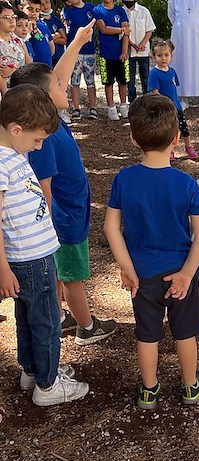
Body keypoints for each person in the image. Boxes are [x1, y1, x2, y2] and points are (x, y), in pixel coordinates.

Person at [11, 19, 118, 347]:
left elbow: (56, 75)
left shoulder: (47, 121)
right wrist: (50, 230)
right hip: (62, 222)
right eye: (58, 86)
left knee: (60, 272)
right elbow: (42, 192)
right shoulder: (44, 140)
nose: (64, 86)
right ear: (44, 98)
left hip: (69, 214)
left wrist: (76, 42)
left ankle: (59, 315)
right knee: (72, 275)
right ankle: (86, 326)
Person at [104, 94, 199, 410]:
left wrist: (126, 267)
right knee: (184, 332)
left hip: (142, 274)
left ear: (134, 137)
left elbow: (111, 228)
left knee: (147, 334)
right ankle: (190, 386)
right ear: (177, 138)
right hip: (180, 272)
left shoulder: (124, 179)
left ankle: (149, 389)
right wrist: (187, 274)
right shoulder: (186, 183)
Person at [0, 83, 89, 406]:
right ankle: (48, 386)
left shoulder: (14, 151)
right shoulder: (3, 162)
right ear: (16, 128)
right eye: (37, 139)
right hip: (28, 258)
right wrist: (3, 268)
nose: (39, 147)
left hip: (33, 254)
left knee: (28, 317)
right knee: (47, 319)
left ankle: (33, 370)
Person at [148, 38, 199, 160]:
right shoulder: (154, 73)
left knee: (184, 128)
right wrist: (165, 103)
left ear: (171, 56)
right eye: (160, 55)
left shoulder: (172, 71)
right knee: (168, 130)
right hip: (164, 108)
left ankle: (188, 146)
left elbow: (174, 88)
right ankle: (169, 150)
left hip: (176, 106)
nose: (163, 58)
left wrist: (176, 103)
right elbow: (155, 92)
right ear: (154, 57)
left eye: (166, 55)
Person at [167, 0, 199, 110]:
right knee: (182, 62)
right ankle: (184, 98)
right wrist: (183, 25)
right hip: (181, 33)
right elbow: (171, 14)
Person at [93, 0, 130, 121]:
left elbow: (127, 33)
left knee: (123, 81)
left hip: (120, 54)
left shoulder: (121, 10)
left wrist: (124, 51)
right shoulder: (97, 10)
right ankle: (111, 107)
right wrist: (120, 30)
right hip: (105, 53)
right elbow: (103, 29)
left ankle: (124, 105)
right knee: (108, 82)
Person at [62, 0, 98, 120]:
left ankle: (93, 107)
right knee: (75, 80)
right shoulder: (67, 11)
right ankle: (76, 108)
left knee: (90, 80)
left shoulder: (90, 8)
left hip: (89, 50)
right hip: (74, 51)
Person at [122, 0, 155, 103]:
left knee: (145, 78)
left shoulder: (144, 11)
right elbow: (122, 32)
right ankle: (132, 102)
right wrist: (131, 44)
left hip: (143, 51)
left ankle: (147, 101)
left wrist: (142, 44)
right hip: (129, 51)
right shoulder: (121, 12)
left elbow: (149, 30)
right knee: (130, 79)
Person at [0, 2, 32, 95]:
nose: (11, 21)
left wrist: (15, 70)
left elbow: (28, 63)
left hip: (22, 87)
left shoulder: (18, 40)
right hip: (6, 92)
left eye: (13, 17)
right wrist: (6, 94)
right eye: (6, 18)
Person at [16, 0, 54, 67]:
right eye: (30, 9)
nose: (34, 13)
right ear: (21, 8)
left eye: (37, 10)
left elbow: (52, 48)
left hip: (47, 67)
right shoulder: (18, 29)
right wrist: (28, 34)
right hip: (31, 70)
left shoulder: (43, 26)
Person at [40, 0, 66, 67]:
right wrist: (56, 36)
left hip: (59, 57)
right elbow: (41, 40)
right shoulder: (38, 22)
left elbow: (64, 40)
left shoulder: (56, 20)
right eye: (42, 4)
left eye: (47, 2)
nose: (45, 6)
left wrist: (49, 38)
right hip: (45, 58)